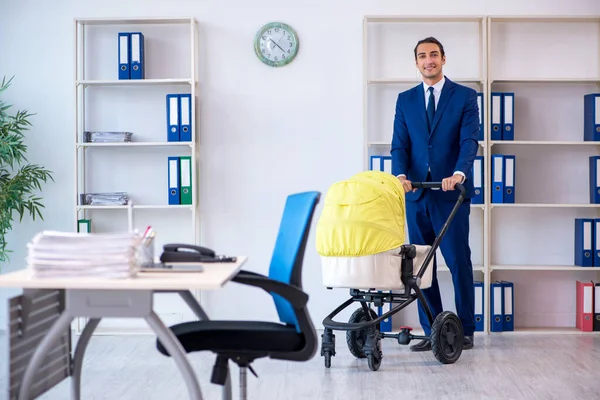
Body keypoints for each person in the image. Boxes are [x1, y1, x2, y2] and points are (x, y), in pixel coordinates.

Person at [390, 36, 479, 351]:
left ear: (443, 59)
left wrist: (458, 173)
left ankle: (464, 330)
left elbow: (470, 140)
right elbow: (400, 144)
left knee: (458, 262)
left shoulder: (465, 97)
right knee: (421, 267)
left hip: (449, 195)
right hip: (416, 195)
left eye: (433, 55)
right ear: (416, 62)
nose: (428, 60)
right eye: (422, 56)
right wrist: (400, 175)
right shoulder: (405, 100)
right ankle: (433, 330)